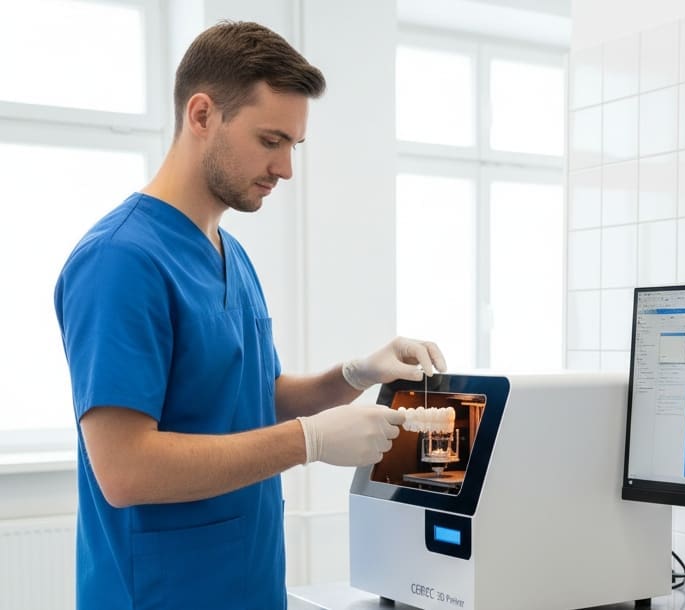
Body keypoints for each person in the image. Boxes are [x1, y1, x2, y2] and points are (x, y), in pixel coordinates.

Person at [53, 21, 446, 610]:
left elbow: (252, 397)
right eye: (270, 140)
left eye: (294, 146)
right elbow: (125, 469)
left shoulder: (229, 252)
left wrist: (356, 374)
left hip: (249, 586)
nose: (285, 168)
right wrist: (309, 441)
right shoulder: (120, 261)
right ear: (202, 115)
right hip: (162, 595)